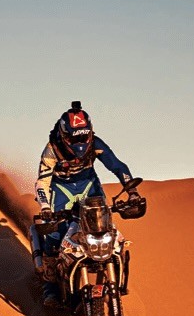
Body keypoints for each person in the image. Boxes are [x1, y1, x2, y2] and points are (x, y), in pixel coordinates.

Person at [31, 101, 139, 305]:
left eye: (83, 136)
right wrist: (45, 207)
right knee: (55, 235)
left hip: (89, 187)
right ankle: (50, 287)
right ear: (64, 135)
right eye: (74, 137)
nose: (80, 142)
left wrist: (131, 191)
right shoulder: (52, 150)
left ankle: (115, 275)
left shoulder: (96, 144)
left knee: (106, 228)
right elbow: (42, 181)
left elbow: (117, 166)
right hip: (61, 189)